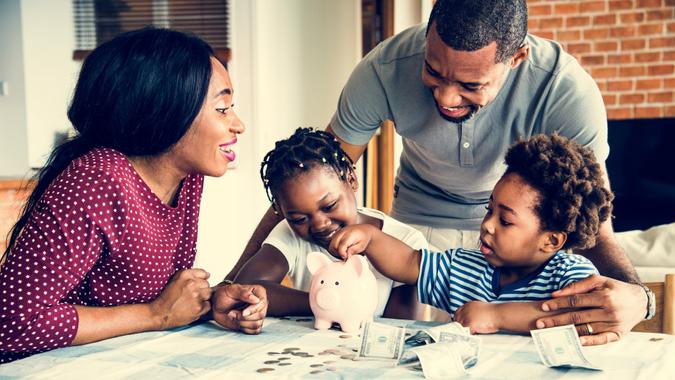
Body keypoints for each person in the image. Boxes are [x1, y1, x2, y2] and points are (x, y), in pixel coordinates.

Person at [226, 0, 651, 345]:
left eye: (470, 85)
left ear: (517, 57)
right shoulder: (383, 70)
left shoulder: (565, 91)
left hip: (523, 234)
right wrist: (228, 285)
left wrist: (639, 298)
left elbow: (597, 230)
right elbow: (312, 177)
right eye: (433, 71)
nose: (446, 97)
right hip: (418, 230)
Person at [0, 28, 267, 363]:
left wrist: (210, 302)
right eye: (222, 108)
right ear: (168, 110)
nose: (238, 124)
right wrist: (157, 315)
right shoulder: (96, 180)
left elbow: (156, 299)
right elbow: (10, 323)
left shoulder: (187, 178)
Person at [331, 134, 608, 340]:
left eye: (506, 221)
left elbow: (572, 317)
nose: (487, 225)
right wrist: (370, 238)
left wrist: (496, 316)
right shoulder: (464, 267)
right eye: (489, 211)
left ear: (551, 241)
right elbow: (408, 263)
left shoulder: (572, 277)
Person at [215, 128, 428, 320]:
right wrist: (322, 303)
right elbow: (246, 288)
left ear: (351, 180)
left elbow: (401, 325)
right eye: (299, 218)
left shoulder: (406, 241)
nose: (319, 225)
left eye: (329, 206)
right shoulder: (290, 233)